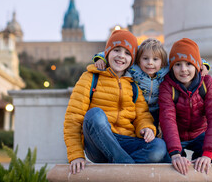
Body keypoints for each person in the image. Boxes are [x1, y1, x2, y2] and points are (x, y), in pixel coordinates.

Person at [64, 30, 167, 174]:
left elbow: (142, 115)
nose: (121, 56)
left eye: (127, 53)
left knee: (159, 146)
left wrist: (147, 128)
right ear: (107, 52)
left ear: (132, 59)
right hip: (98, 142)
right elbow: (73, 118)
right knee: (95, 114)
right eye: (116, 50)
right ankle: (127, 165)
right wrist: (76, 155)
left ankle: (120, 165)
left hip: (126, 141)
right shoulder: (90, 77)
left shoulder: (133, 84)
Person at [94, 38, 210, 135]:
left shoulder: (166, 68)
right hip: (136, 109)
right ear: (139, 60)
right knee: (137, 133)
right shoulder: (134, 68)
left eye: (155, 59)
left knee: (156, 133)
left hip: (157, 110)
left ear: (162, 61)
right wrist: (101, 58)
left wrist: (203, 64)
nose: (150, 63)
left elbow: (186, 57)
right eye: (145, 59)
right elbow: (116, 53)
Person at [158, 38, 212, 175]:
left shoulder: (206, 83)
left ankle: (198, 158)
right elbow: (167, 119)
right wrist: (175, 153)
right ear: (171, 67)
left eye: (188, 64)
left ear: (197, 65)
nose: (183, 70)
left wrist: (207, 153)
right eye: (178, 64)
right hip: (176, 136)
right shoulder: (167, 85)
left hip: (199, 134)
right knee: (169, 161)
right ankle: (181, 154)